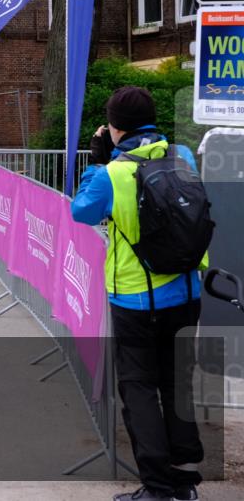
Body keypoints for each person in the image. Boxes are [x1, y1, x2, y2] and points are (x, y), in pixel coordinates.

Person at [71, 86, 207, 501]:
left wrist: (97, 161)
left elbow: (81, 212)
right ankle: (183, 478)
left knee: (139, 388)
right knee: (176, 383)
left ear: (114, 127)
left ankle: (158, 487)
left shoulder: (113, 172)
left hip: (135, 299)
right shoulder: (181, 155)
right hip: (186, 292)